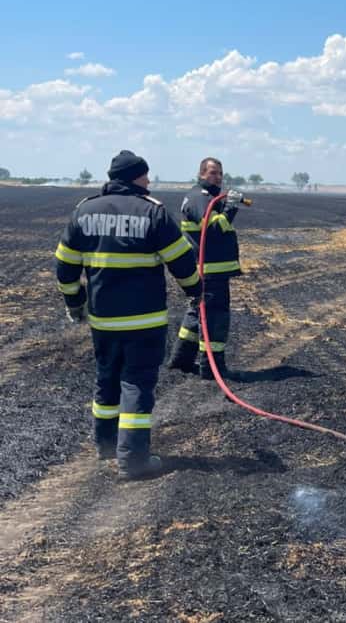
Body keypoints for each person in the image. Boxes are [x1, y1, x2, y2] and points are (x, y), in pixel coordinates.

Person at [56, 150, 201, 479]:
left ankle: (106, 446)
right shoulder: (153, 213)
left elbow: (64, 266)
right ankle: (133, 460)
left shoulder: (84, 211)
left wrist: (74, 302)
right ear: (136, 177)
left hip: (103, 320)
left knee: (106, 380)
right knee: (136, 383)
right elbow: (182, 262)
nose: (149, 181)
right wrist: (196, 291)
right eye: (145, 175)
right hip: (144, 320)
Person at [167, 157, 243, 379]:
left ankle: (181, 360)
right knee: (214, 317)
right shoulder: (198, 198)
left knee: (195, 314)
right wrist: (231, 208)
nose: (217, 177)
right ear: (201, 174)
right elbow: (214, 229)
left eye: (220, 173)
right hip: (209, 272)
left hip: (211, 270)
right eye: (212, 173)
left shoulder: (207, 197)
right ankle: (212, 368)